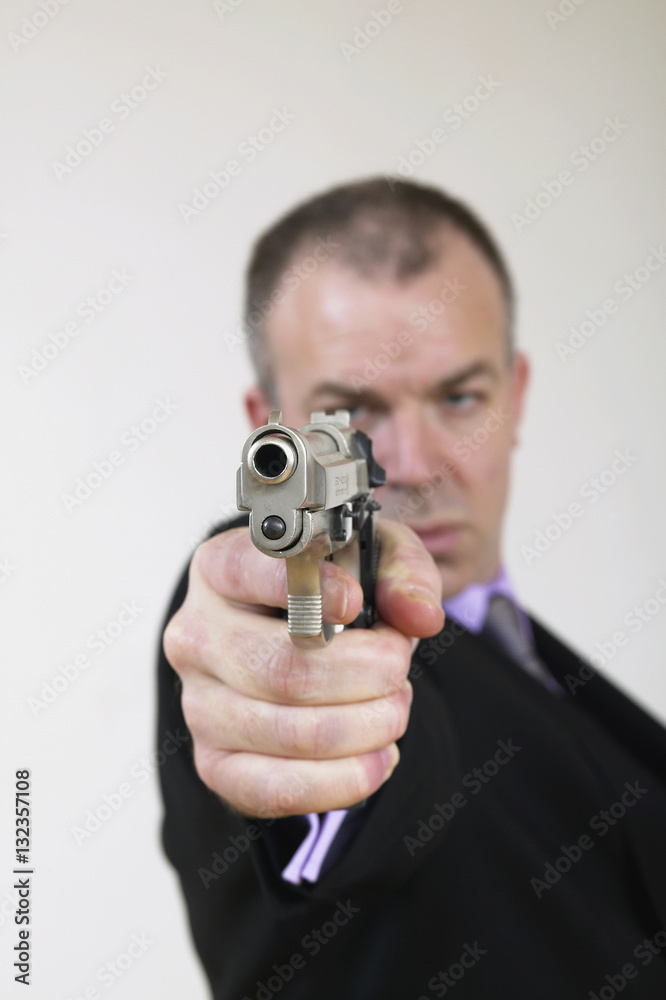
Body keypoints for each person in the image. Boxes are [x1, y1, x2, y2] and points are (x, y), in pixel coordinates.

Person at [158, 178, 666, 999]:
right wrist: (300, 675)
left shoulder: (534, 662)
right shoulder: (273, 601)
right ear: (269, 429)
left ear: (516, 396)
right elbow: (366, 740)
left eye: (460, 398)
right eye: (351, 415)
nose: (417, 465)